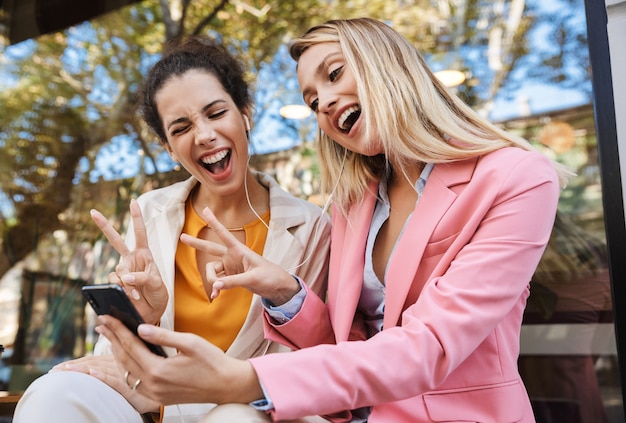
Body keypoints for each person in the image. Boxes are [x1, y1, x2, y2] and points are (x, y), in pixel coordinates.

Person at [92, 17, 574, 423]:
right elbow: (350, 345)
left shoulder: (516, 178)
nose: (322, 102)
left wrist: (247, 381)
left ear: (387, 65)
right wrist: (284, 291)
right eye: (310, 99)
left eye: (334, 74)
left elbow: (429, 346)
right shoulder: (355, 204)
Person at [13, 35, 331, 423]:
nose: (203, 135)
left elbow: (301, 370)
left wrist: (168, 397)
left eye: (216, 113)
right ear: (168, 148)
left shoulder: (312, 228)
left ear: (245, 113)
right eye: (181, 128)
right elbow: (112, 367)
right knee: (53, 392)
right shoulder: (149, 214)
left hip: (250, 413)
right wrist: (140, 320)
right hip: (157, 410)